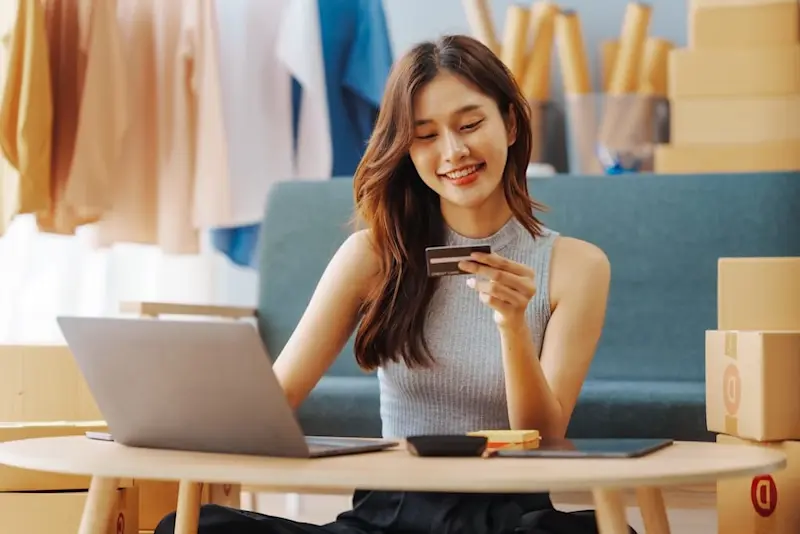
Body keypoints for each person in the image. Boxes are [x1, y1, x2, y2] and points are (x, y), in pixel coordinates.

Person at [156, 34, 629, 534]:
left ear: (510, 123)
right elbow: (279, 396)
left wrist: (512, 327)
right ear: (405, 149)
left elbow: (546, 439)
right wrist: (172, 423)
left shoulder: (577, 266)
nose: (454, 151)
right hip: (391, 515)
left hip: (508, 518)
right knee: (192, 528)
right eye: (425, 135)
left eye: (470, 124)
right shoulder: (373, 255)